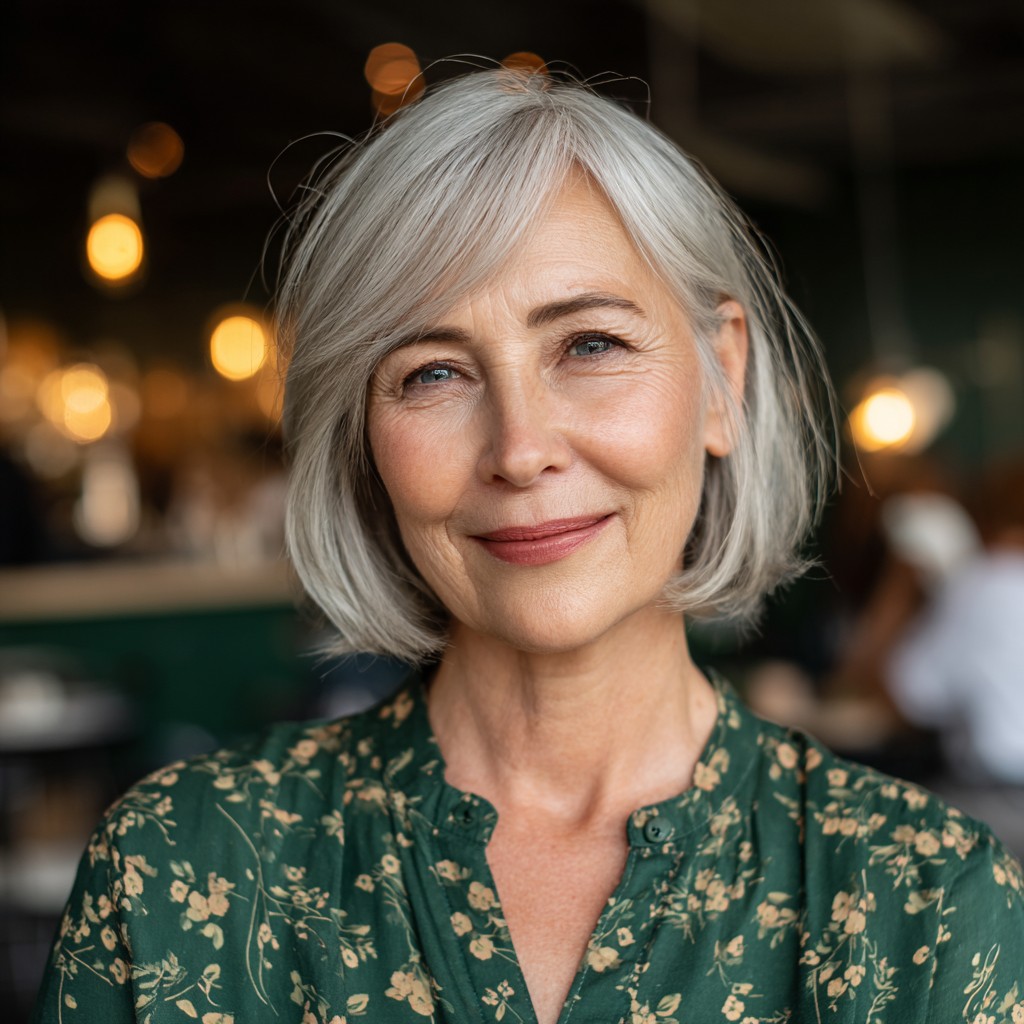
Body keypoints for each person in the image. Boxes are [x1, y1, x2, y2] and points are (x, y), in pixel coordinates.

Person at [34, 66, 1023, 1024]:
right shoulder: (181, 868)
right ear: (362, 438)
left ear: (721, 377)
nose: (518, 449)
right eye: (431, 372)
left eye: (588, 345)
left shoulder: (929, 898)